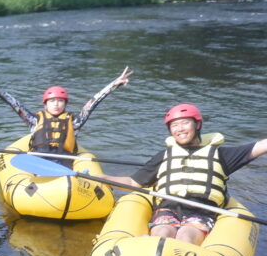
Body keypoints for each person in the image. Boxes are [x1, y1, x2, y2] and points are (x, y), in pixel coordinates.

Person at [96, 103, 267, 245]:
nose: (180, 129)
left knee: (185, 235)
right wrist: (104, 178)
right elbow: (133, 182)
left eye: (185, 123)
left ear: (197, 125)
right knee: (163, 232)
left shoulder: (221, 155)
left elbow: (258, 147)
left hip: (202, 212)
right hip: (167, 209)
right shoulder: (163, 156)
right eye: (174, 125)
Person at [0, 67, 133, 163]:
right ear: (45, 104)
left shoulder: (75, 122)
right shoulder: (33, 120)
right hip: (38, 160)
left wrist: (114, 84)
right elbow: (13, 103)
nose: (56, 104)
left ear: (65, 104)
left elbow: (93, 102)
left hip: (64, 161)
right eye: (52, 101)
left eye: (60, 101)